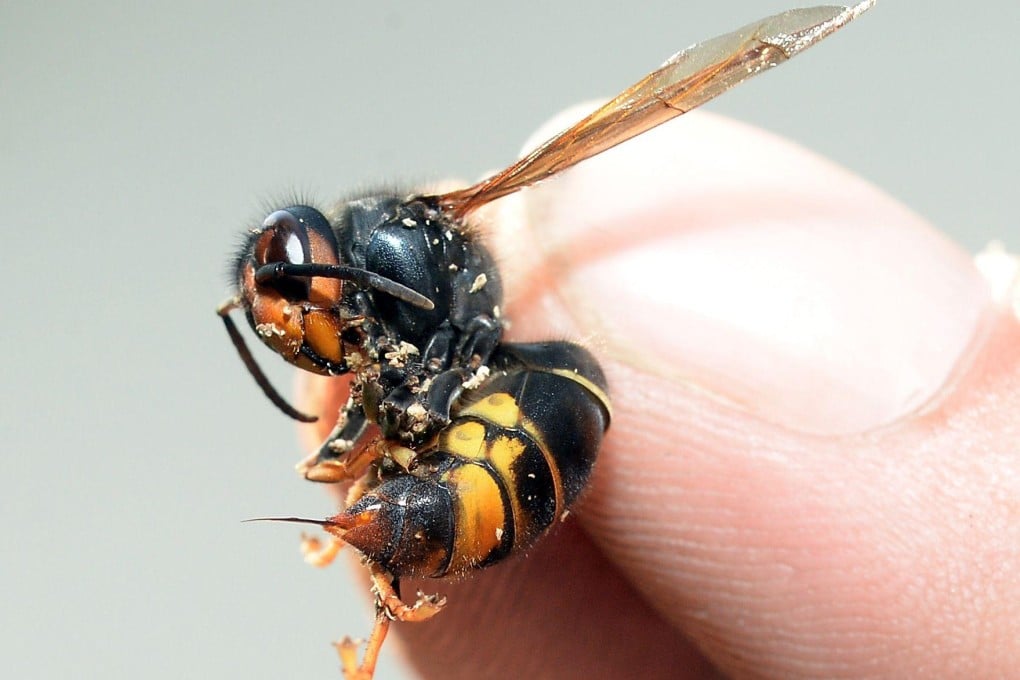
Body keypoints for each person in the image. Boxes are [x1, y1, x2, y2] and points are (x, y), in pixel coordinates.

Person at [298, 107, 1020, 679]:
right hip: (501, 420)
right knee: (394, 477)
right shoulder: (391, 362)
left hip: (538, 400)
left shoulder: (408, 261)